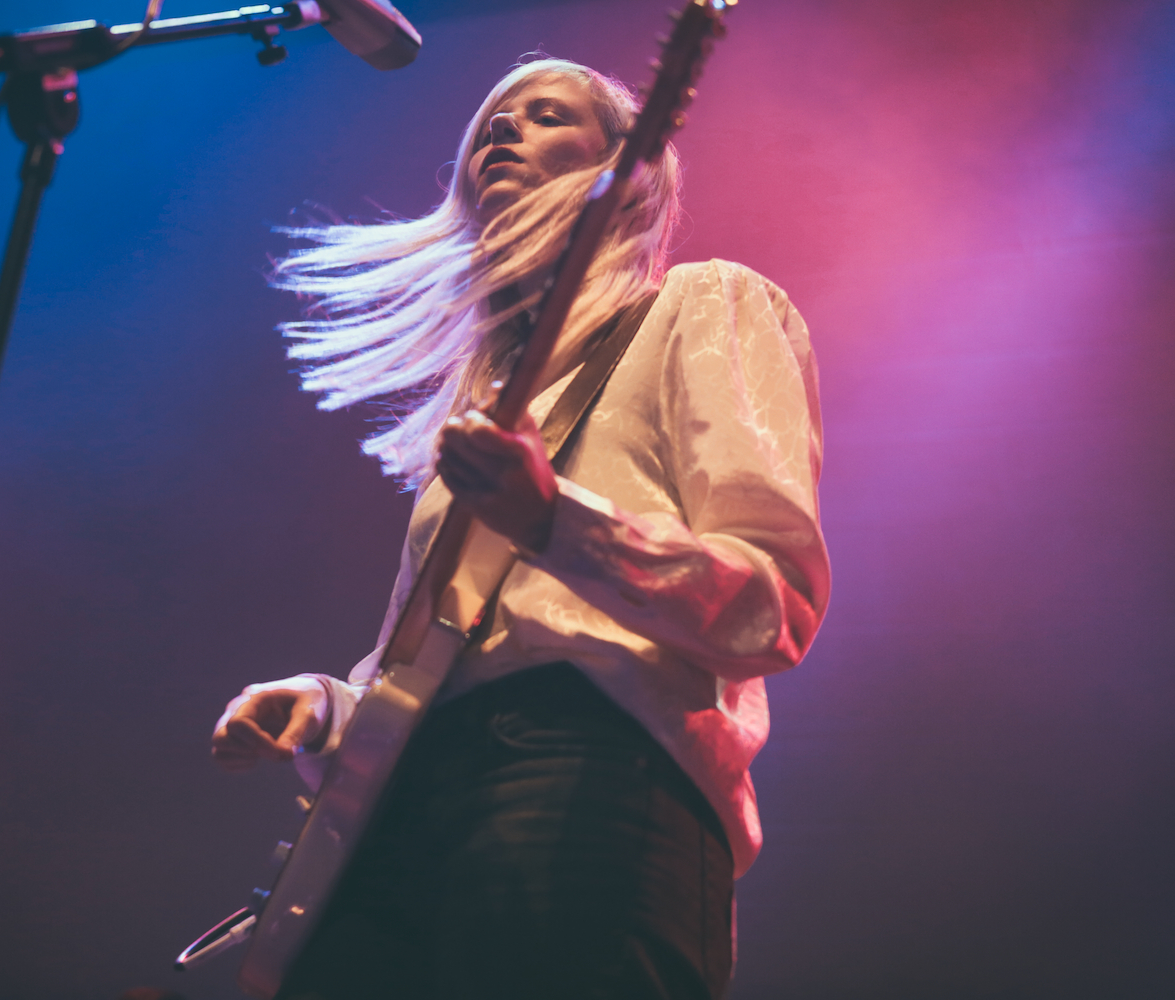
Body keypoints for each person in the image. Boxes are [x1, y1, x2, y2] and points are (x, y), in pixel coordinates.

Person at [211, 56, 829, 1000]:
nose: (504, 130)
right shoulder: (493, 408)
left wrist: (554, 522)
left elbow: (772, 604)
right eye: (494, 122)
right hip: (409, 807)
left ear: (627, 170)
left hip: (590, 777)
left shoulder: (699, 308)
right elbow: (438, 650)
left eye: (545, 117)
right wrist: (333, 705)